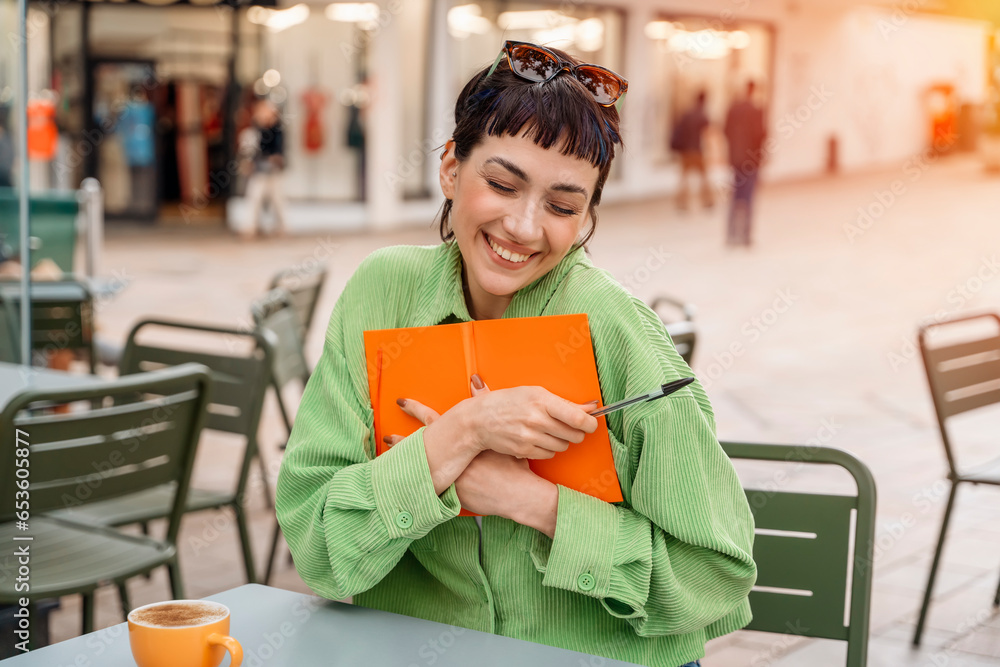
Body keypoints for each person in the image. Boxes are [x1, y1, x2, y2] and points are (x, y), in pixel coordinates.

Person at [276, 41, 755, 667]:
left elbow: (714, 580)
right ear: (450, 168)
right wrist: (458, 437)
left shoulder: (618, 329)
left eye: (562, 205)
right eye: (503, 184)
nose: (526, 228)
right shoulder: (381, 291)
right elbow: (319, 551)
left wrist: (528, 501)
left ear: (586, 218)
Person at [723, 81, 767, 246]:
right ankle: (746, 235)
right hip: (751, 161)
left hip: (736, 159)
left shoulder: (733, 109)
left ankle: (731, 234)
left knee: (735, 196)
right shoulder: (757, 111)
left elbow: (726, 131)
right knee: (748, 197)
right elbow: (760, 135)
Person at [239, 98, 287, 239]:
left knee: (278, 200)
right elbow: (252, 149)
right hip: (259, 170)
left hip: (273, 170)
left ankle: (282, 226)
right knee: (254, 198)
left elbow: (278, 151)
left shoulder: (277, 130)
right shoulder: (257, 129)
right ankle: (250, 227)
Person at [670, 90, 713, 211]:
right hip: (697, 151)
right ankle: (707, 201)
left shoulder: (687, 113)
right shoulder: (702, 114)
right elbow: (707, 134)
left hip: (686, 151)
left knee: (684, 179)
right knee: (704, 178)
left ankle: (681, 203)